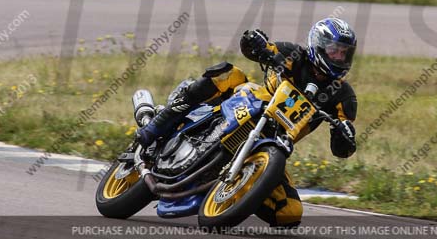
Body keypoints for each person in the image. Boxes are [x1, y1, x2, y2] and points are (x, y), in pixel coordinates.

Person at [136, 18, 358, 226]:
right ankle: (156, 125)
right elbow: (254, 48)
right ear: (318, 45)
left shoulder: (343, 96)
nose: (339, 57)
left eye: (344, 53)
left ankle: (238, 190)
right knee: (228, 73)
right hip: (251, 100)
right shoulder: (294, 54)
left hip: (276, 141)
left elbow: (342, 149)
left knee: (289, 212)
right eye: (334, 50)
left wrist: (345, 135)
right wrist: (255, 41)